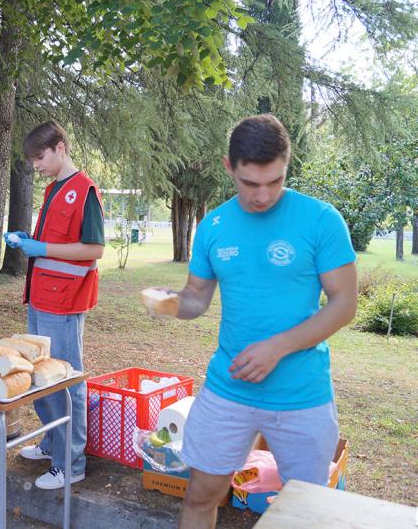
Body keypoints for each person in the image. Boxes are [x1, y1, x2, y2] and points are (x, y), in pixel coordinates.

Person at [146, 115, 357, 529]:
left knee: (304, 514)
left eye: (274, 182)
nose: (263, 196)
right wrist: (171, 303)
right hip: (228, 390)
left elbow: (344, 303)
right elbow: (196, 299)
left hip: (302, 395)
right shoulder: (214, 227)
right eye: (250, 183)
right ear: (230, 167)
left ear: (286, 166)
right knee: (200, 497)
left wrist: (277, 347)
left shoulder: (320, 219)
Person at [4, 120, 105, 490]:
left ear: (60, 147)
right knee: (41, 378)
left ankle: (71, 464)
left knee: (65, 381)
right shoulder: (53, 190)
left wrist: (41, 248)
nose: (36, 165)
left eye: (40, 157)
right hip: (41, 298)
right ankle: (52, 444)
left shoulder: (84, 190)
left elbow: (94, 248)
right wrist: (28, 241)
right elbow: (53, 244)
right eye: (32, 159)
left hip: (65, 303)